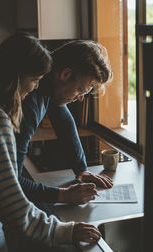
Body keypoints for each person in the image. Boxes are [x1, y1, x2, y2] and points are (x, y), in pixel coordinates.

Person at [0, 33, 102, 252]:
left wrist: (80, 168)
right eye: (35, 80)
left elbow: (62, 117)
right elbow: (12, 203)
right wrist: (64, 230)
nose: (35, 87)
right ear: (17, 77)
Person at [16, 39, 113, 207]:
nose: (81, 98)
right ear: (66, 74)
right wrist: (63, 196)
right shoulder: (29, 103)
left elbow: (65, 122)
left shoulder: (48, 90)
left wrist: (81, 170)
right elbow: (11, 182)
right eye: (81, 90)